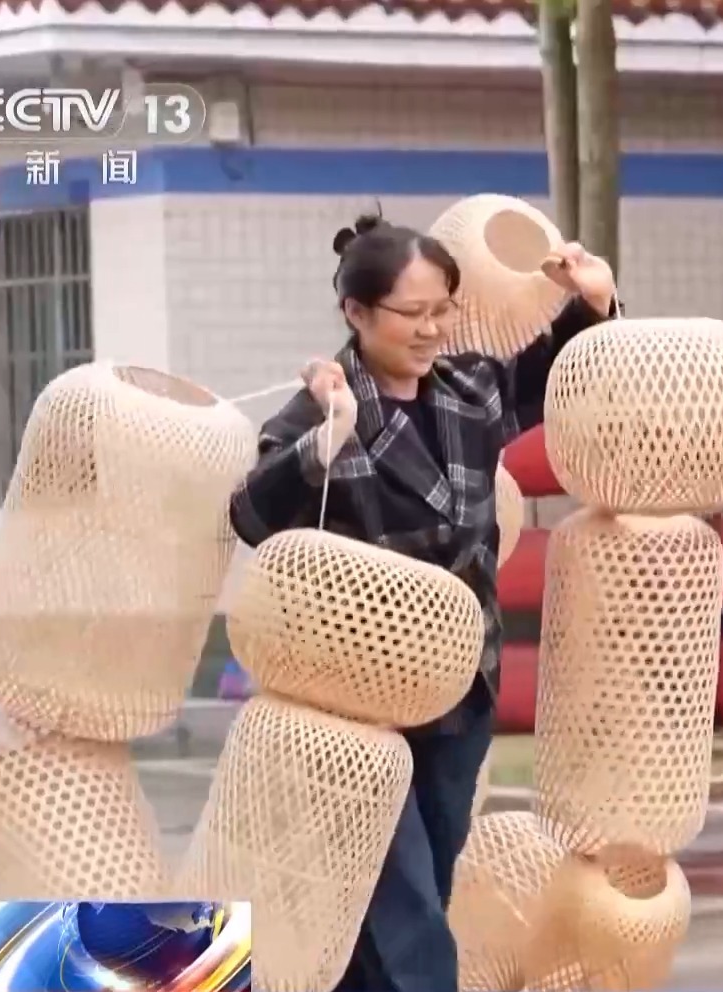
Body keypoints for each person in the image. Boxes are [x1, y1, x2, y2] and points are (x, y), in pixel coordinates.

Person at [228, 212, 617, 992]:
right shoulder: (318, 408)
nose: (433, 328)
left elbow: (554, 377)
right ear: (357, 312)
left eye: (443, 309)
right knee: (400, 902)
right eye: (412, 313)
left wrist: (594, 302)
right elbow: (252, 516)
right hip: (354, 706)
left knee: (422, 885)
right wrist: (329, 436)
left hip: (462, 683)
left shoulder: (472, 388)